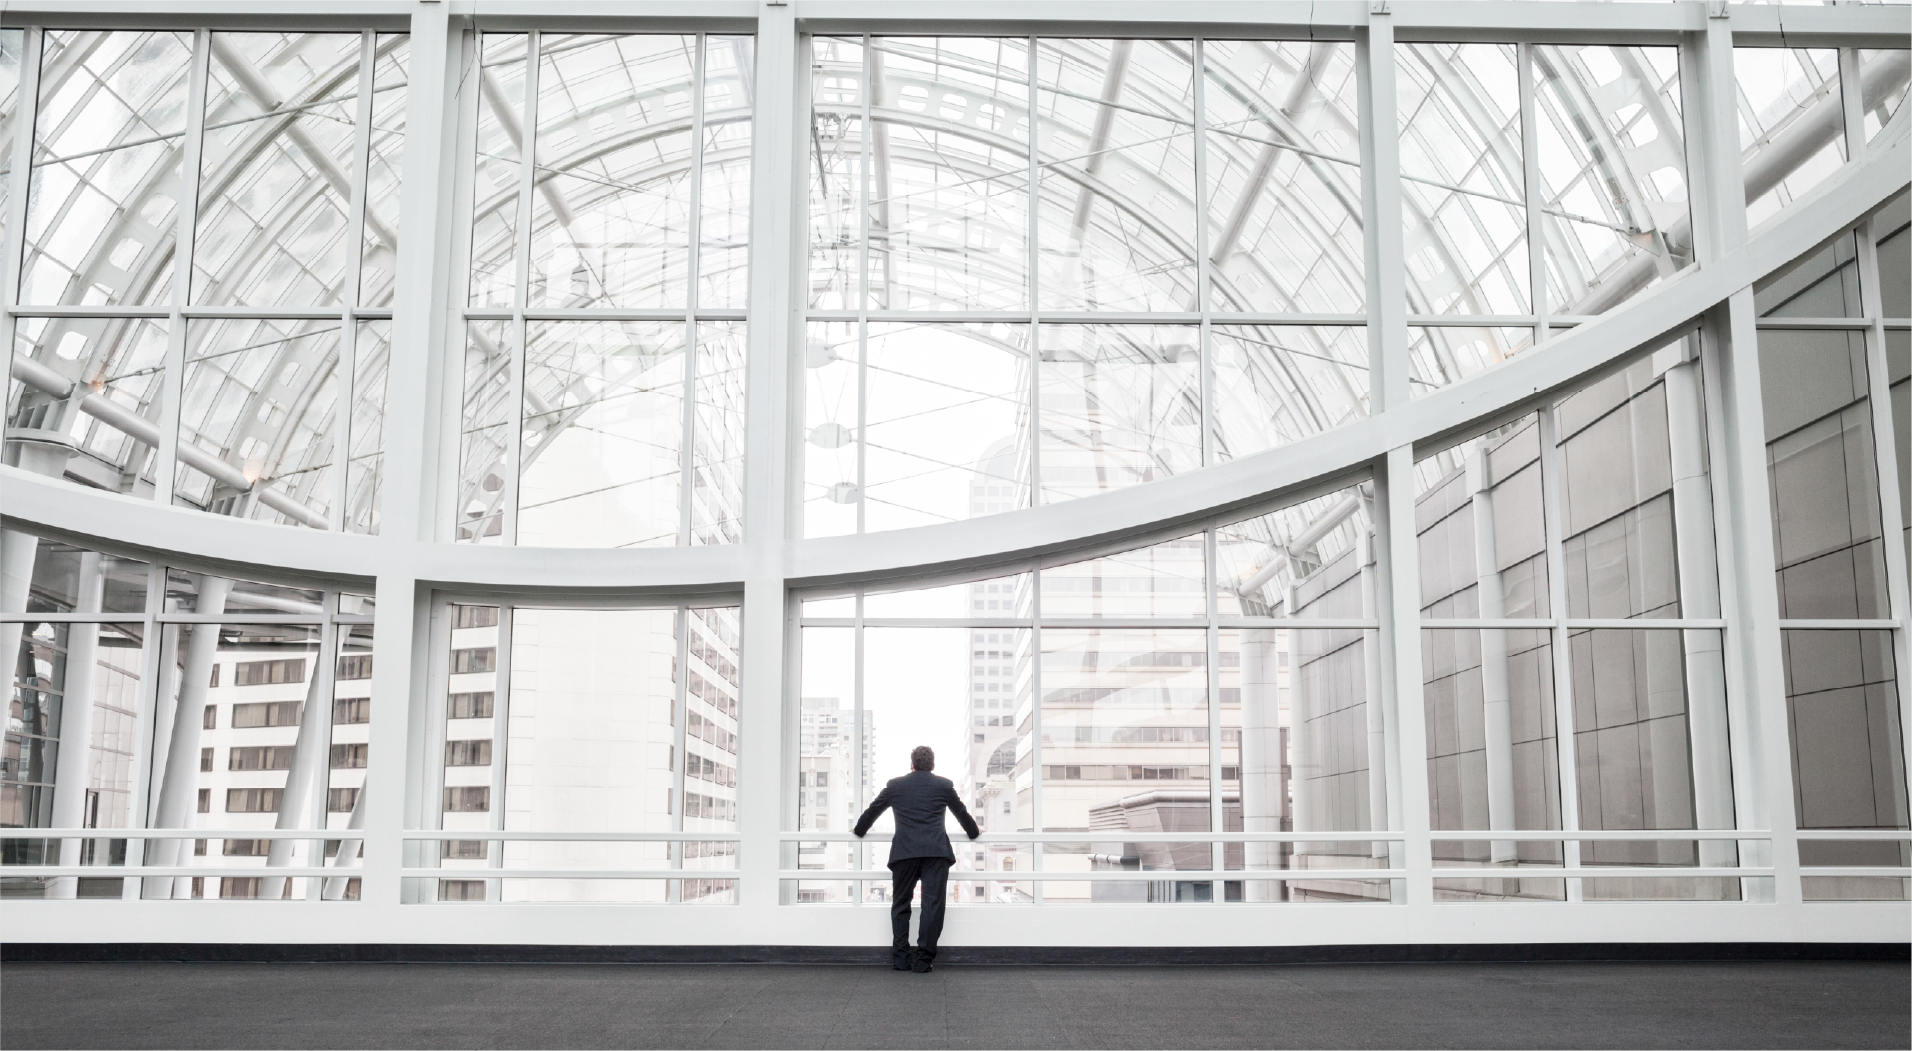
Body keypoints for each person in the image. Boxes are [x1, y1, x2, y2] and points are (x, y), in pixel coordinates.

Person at [853, 745, 981, 973]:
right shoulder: (943, 785)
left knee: (900, 904)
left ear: (911, 764)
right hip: (935, 853)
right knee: (932, 906)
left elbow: (873, 811)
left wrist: (859, 830)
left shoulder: (895, 785)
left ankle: (902, 959)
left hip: (905, 853)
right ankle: (923, 960)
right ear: (933, 765)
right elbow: (962, 814)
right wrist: (973, 833)